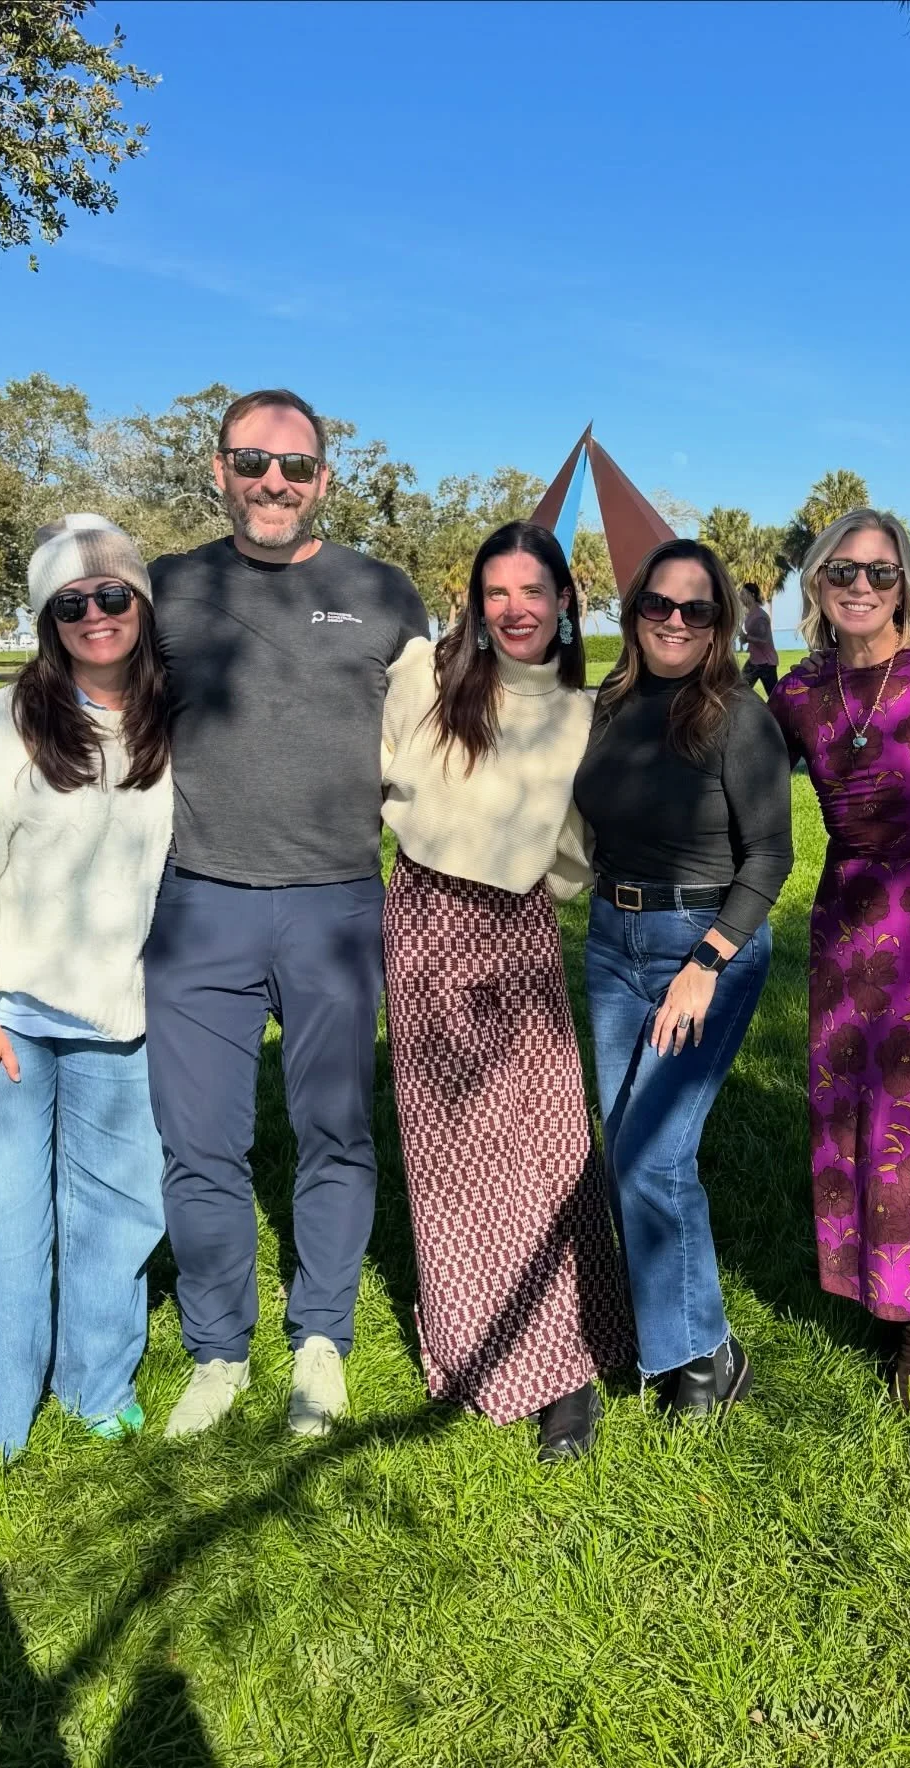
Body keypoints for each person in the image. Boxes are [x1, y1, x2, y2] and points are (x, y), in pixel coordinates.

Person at [144, 389, 431, 1439]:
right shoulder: (164, 589)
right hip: (198, 905)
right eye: (252, 462)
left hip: (337, 905)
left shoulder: (383, 593)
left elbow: (443, 739)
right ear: (217, 469)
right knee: (200, 1143)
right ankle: (217, 1349)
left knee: (335, 1131)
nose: (274, 483)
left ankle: (321, 1337)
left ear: (325, 480)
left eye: (295, 467)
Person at [0, 515, 172, 1458]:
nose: (95, 615)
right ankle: (2, 1421)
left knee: (120, 1212)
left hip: (121, 1014)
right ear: (45, 619)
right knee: (2, 1221)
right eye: (71, 603)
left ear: (140, 605)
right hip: (3, 1017)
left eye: (113, 596)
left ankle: (97, 1386)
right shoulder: (7, 724)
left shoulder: (165, 723)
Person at [380, 522, 633, 1461]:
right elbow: (372, 772)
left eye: (534, 591)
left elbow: (577, 844)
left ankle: (571, 1361)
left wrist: (549, 874)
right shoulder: (428, 672)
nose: (516, 609)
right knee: (450, 1147)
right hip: (423, 918)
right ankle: (475, 1347)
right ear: (477, 603)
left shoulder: (582, 708)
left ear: (566, 601)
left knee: (545, 1140)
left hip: (517, 930)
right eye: (497, 592)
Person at [767, 511, 910, 1407]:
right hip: (849, 922)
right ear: (817, 584)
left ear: (906, 580)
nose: (860, 587)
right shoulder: (802, 691)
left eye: (880, 571)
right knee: (860, 1117)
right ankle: (888, 1286)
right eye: (842, 572)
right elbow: (725, 772)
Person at [574, 540, 793, 1416]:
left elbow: (772, 855)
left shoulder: (739, 716)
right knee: (631, 1141)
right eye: (658, 605)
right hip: (609, 938)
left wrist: (707, 960)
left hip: (700, 944)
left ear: (720, 626)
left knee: (649, 1155)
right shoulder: (612, 702)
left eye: (695, 610)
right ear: (633, 613)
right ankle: (671, 1333)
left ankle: (701, 1356)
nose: (673, 621)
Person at [738, 582, 779, 697]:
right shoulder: (750, 613)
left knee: (774, 697)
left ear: (751, 595)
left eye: (743, 594)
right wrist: (745, 638)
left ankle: (782, 714)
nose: (740, 596)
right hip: (755, 661)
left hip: (766, 663)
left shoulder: (760, 616)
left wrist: (747, 638)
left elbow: (763, 641)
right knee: (740, 691)